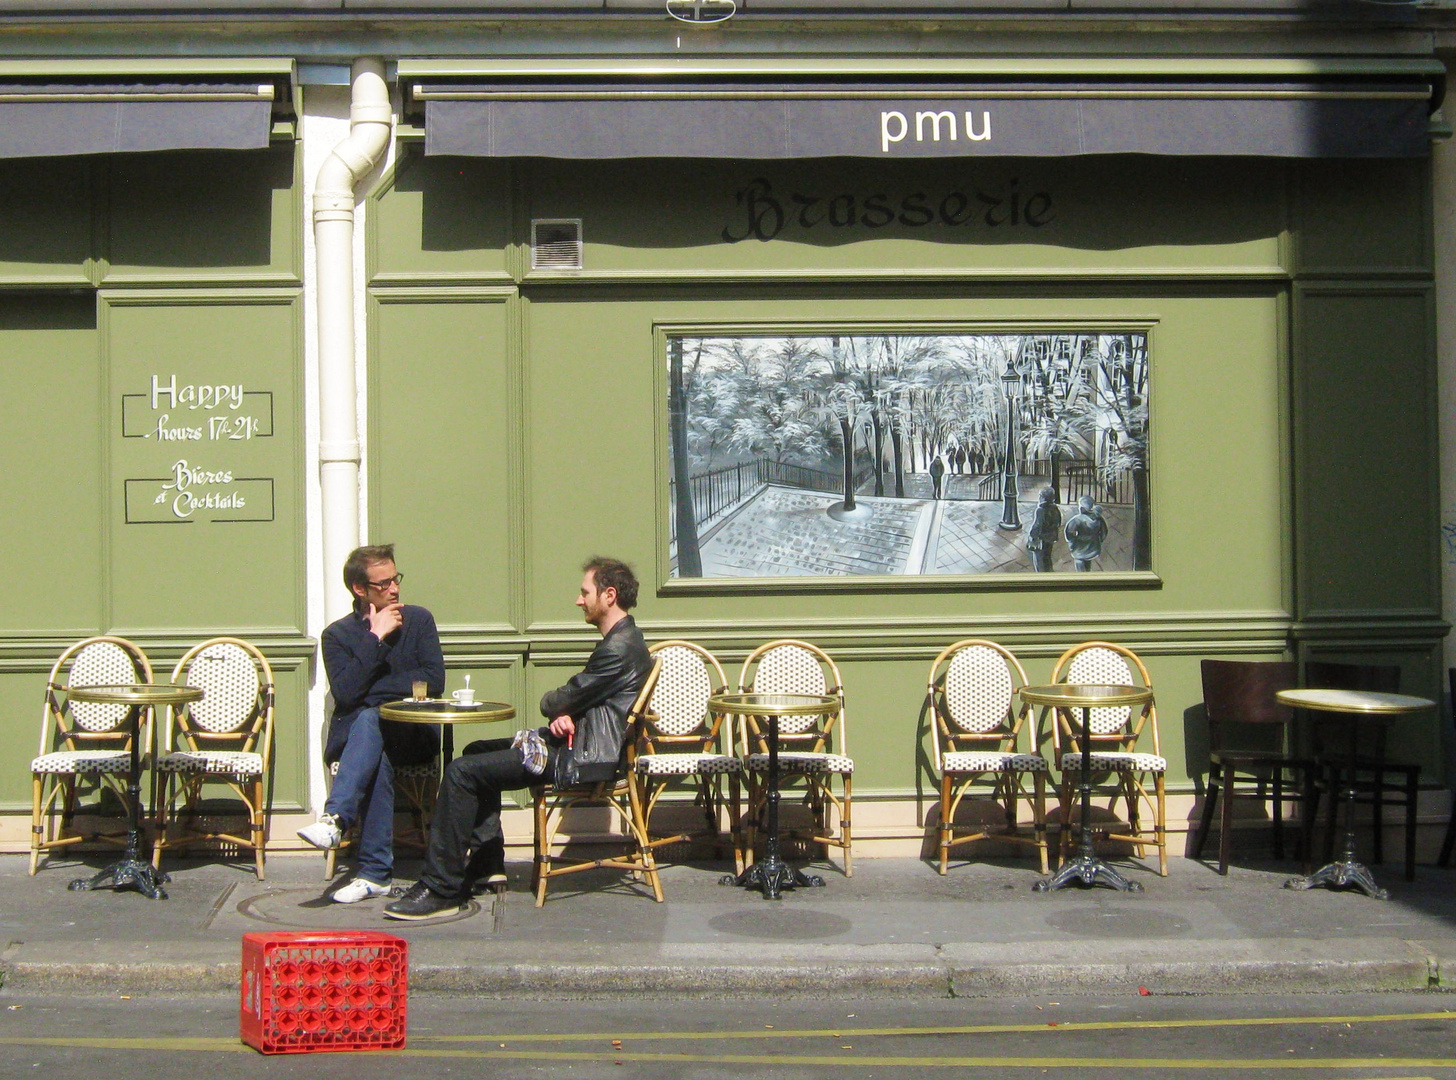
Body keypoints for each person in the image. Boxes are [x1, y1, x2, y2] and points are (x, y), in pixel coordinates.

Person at [384, 556, 652, 921]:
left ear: (609, 595)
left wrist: (563, 709)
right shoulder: (625, 640)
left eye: (584, 592)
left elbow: (557, 699)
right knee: (477, 751)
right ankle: (486, 862)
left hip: (583, 759)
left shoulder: (618, 648)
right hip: (580, 745)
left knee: (462, 771)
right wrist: (570, 712)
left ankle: (440, 887)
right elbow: (587, 698)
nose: (579, 600)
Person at [297, 544, 444, 903]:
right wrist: (374, 638)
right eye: (384, 584)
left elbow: (432, 679)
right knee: (371, 737)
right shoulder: (337, 636)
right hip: (360, 743)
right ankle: (374, 875)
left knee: (368, 713)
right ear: (360, 589)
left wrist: (371, 692)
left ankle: (337, 820)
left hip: (412, 733)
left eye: (396, 579)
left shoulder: (419, 620)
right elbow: (346, 692)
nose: (394, 589)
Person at [1064, 495, 1109, 572]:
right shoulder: (1099, 519)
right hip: (1093, 548)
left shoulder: (1076, 520)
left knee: (1080, 568)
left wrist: (1073, 542)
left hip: (1079, 549)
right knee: (1088, 564)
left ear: (1081, 508)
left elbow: (1069, 534)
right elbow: (1104, 533)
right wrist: (1098, 540)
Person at [1026, 486, 1061, 573]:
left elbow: (1037, 525)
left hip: (1041, 539)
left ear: (1042, 497)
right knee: (1047, 557)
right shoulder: (1055, 509)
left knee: (1039, 561)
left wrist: (1031, 535)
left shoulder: (1041, 510)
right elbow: (1058, 522)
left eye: (1040, 496)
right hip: (1051, 537)